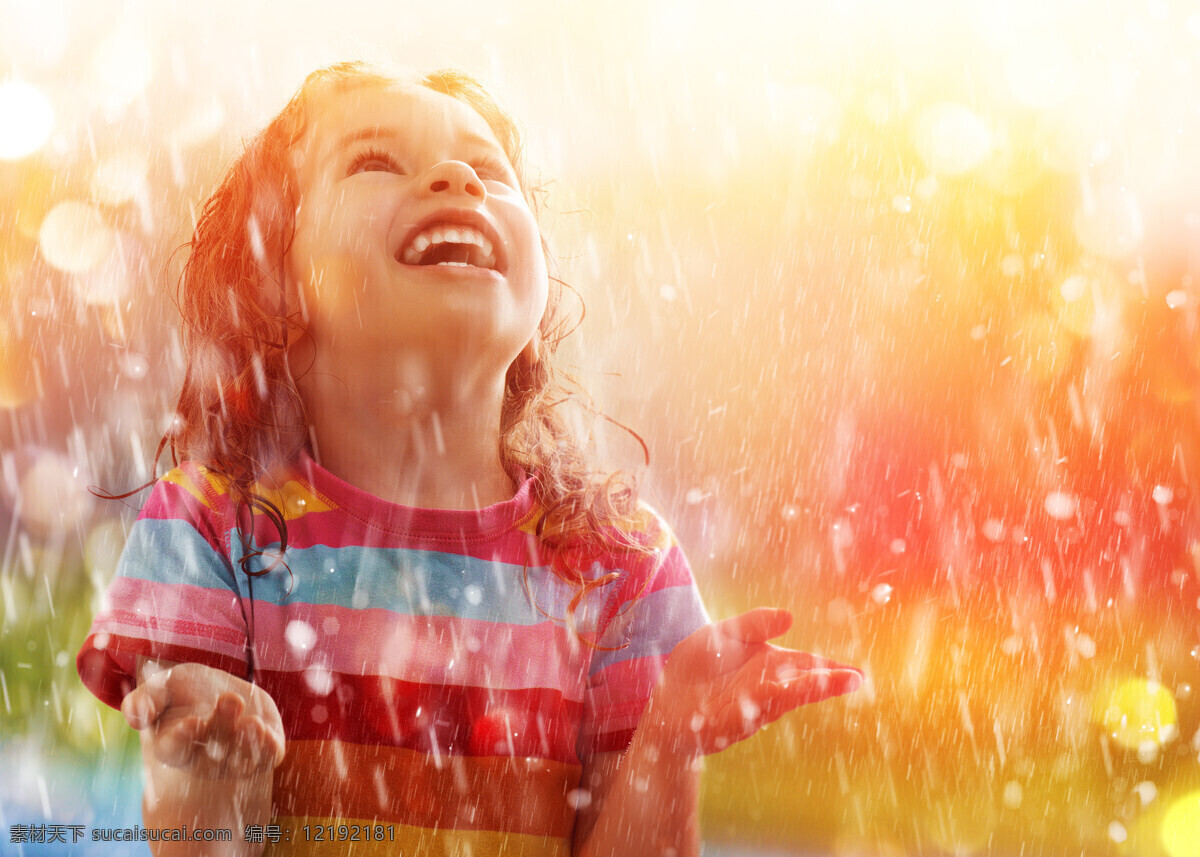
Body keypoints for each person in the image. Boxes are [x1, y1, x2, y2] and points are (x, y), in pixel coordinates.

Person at [77, 62, 864, 856]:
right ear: (276, 279)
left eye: (490, 172)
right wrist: (208, 774)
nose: (456, 177)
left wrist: (666, 741)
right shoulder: (214, 526)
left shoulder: (617, 563)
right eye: (377, 162)